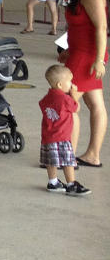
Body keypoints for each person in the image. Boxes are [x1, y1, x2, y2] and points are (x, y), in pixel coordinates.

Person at [61, 0, 108, 168]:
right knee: (95, 103)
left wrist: (99, 59)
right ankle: (92, 154)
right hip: (80, 52)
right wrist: (69, 50)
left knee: (67, 103)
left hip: (86, 56)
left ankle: (66, 155)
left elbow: (101, 28)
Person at [38, 63, 89, 196]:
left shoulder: (47, 97)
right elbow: (76, 108)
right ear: (60, 85)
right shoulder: (65, 99)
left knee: (51, 161)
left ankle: (53, 182)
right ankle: (71, 183)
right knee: (68, 161)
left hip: (48, 135)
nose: (71, 84)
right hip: (62, 136)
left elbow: (42, 105)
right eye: (70, 81)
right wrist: (74, 96)